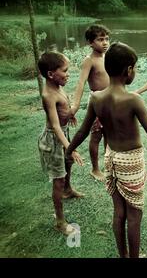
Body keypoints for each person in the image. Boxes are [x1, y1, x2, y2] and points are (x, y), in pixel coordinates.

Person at [66, 42, 147, 258]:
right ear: (128, 70)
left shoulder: (96, 98)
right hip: (131, 163)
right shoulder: (133, 100)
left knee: (119, 212)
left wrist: (69, 149)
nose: (135, 71)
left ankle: (124, 255)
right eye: (135, 68)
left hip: (110, 158)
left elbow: (82, 131)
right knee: (134, 215)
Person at [37, 51, 84, 236]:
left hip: (63, 133)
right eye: (65, 70)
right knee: (58, 179)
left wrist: (69, 115)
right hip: (54, 140)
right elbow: (55, 126)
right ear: (51, 74)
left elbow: (63, 107)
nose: (68, 74)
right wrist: (70, 148)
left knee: (68, 165)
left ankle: (68, 189)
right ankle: (60, 221)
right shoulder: (48, 94)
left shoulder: (58, 86)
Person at [71, 24, 111, 181]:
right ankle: (95, 169)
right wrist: (75, 105)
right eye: (100, 39)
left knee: (110, 134)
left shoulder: (107, 57)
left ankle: (109, 164)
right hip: (97, 102)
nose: (105, 42)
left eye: (107, 39)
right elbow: (81, 83)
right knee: (96, 136)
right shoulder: (89, 60)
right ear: (90, 42)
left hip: (110, 101)